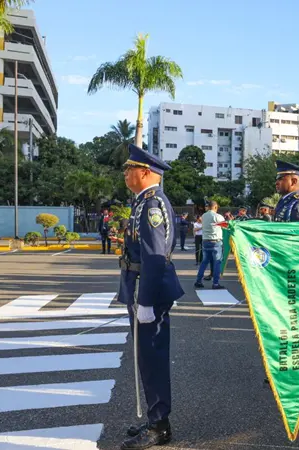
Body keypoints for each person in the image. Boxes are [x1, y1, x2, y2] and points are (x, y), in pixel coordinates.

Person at [118, 144, 183, 449]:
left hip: (150, 290)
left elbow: (156, 256)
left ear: (145, 172)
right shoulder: (143, 202)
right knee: (146, 357)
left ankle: (160, 426)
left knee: (153, 357)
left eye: (129, 169)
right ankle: (155, 417)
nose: (126, 174)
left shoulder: (153, 204)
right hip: (142, 286)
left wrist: (145, 301)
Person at [195, 201, 226, 289]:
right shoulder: (218, 216)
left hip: (205, 241)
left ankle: (198, 281)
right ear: (215, 207)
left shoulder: (204, 216)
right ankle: (215, 283)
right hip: (215, 241)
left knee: (204, 262)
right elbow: (225, 226)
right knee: (217, 262)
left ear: (208, 207)